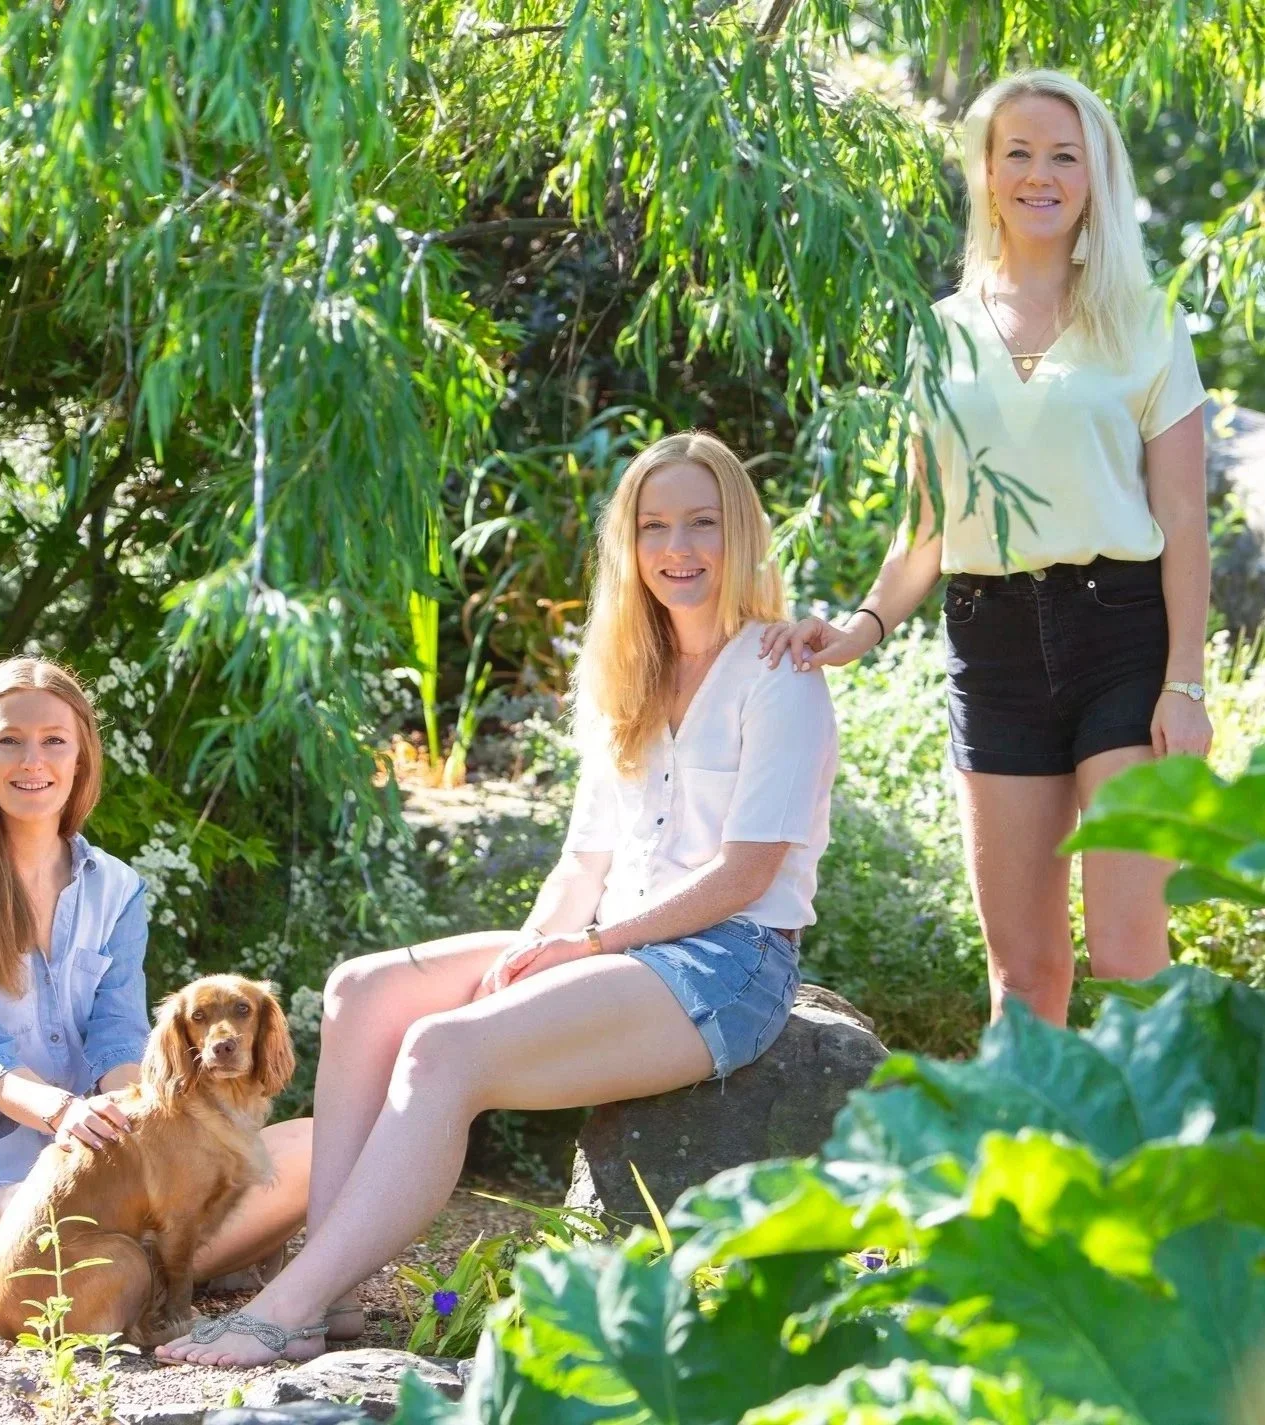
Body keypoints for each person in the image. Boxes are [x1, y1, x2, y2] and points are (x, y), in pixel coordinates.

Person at [156, 430, 838, 1366]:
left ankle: (286, 1304)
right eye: (654, 525)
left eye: (702, 522)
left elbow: (745, 874)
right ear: (628, 546)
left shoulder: (780, 672)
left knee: (444, 1049)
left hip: (727, 961)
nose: (678, 547)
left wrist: (585, 949)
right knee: (362, 989)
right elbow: (580, 863)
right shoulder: (624, 677)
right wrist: (532, 951)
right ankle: (335, 1291)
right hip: (619, 945)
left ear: (741, 535)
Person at [761, 70, 1211, 1026]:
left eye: (1063, 154)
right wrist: (864, 624)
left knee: (1131, 956)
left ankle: (1166, 1172)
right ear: (986, 173)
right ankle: (1023, 1174)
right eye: (1018, 153)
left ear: (1095, 176)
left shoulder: (1147, 321)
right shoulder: (942, 334)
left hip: (1122, 639)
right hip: (990, 644)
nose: (1038, 174)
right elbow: (927, 526)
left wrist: (1184, 684)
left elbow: (1182, 521)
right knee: (1023, 973)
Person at [0, 657, 311, 1307]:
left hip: (110, 1173)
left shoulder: (116, 886)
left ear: (81, 755)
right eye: (8, 740)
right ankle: (192, 1260)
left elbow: (117, 1040)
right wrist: (66, 1112)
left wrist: (156, 1129)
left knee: (315, 1145)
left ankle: (162, 1262)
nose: (33, 760)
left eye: (54, 739)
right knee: (59, 1232)